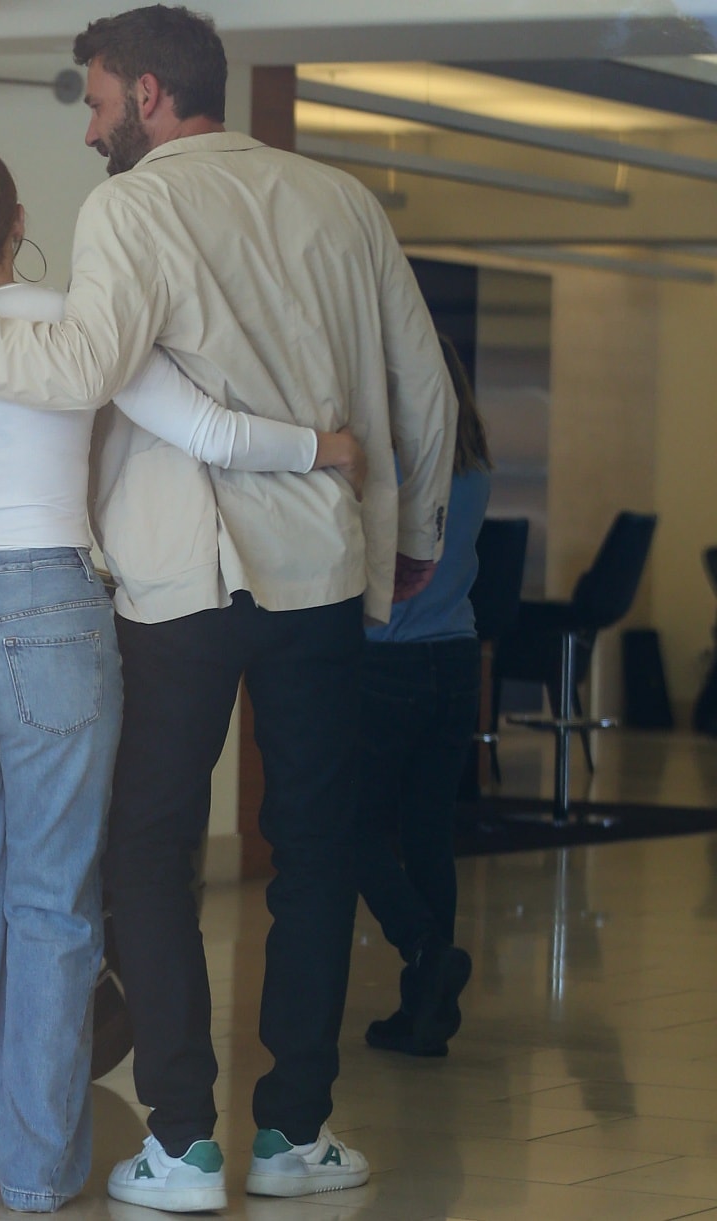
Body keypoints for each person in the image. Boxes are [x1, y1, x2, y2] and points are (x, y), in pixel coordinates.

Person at [0, 8, 457, 1210]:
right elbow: (422, 381)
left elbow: (81, 369)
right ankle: (293, 1138)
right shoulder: (343, 201)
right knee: (314, 851)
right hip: (319, 573)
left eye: (102, 104)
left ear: (153, 96)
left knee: (149, 853)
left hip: (181, 582)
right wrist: (410, 539)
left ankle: (183, 1144)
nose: (97, 128)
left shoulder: (134, 205)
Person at [0, 139, 367, 1213]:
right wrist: (327, 449)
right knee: (54, 906)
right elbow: (208, 432)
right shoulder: (80, 327)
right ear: (20, 216)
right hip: (52, 619)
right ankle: (35, 1170)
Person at [354, 335, 491, 1058]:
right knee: (429, 830)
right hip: (457, 660)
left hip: (391, 662)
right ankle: (426, 1010)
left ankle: (423, 947)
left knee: (348, 825)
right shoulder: (474, 464)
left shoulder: (394, 464)